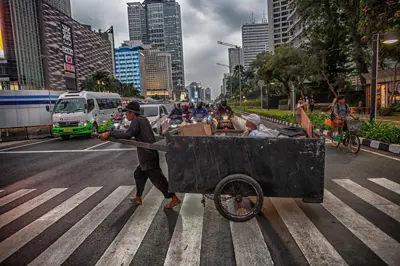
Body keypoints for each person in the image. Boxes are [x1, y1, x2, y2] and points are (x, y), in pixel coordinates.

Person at [98, 101, 181, 209]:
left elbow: (127, 134)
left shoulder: (137, 121)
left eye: (127, 113)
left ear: (132, 113)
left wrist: (110, 133)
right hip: (148, 154)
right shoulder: (143, 119)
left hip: (147, 155)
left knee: (158, 180)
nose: (126, 115)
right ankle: (138, 197)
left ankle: (174, 198)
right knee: (139, 174)